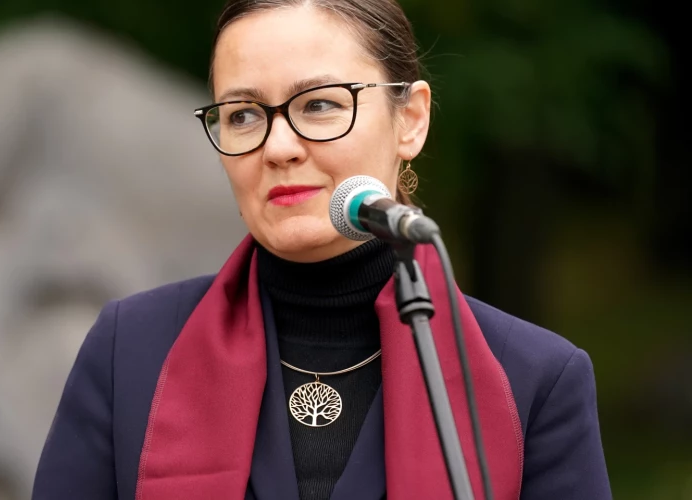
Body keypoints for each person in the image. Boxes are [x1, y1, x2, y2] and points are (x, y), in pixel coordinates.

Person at [32, 0, 612, 499]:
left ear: (410, 119)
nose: (279, 146)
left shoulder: (533, 380)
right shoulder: (130, 353)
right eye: (242, 115)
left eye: (319, 105)